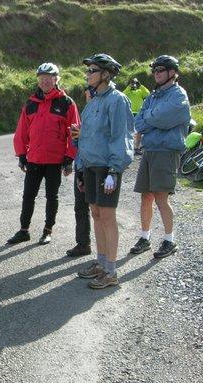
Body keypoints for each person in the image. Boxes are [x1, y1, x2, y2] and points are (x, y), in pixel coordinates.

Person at [73, 54, 134, 289]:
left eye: (92, 70)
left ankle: (111, 271)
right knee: (96, 214)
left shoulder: (118, 100)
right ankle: (100, 262)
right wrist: (80, 167)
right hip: (90, 166)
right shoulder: (94, 101)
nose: (87, 74)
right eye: (88, 70)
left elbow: (122, 136)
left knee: (108, 217)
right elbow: (87, 136)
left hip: (107, 167)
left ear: (106, 74)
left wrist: (113, 170)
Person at [7, 62, 79, 245]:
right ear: (38, 81)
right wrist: (22, 154)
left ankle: (48, 230)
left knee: (51, 196)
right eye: (42, 79)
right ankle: (24, 231)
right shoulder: (31, 103)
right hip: (34, 159)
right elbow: (22, 131)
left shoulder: (67, 103)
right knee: (28, 195)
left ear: (56, 80)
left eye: (49, 78)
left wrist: (70, 157)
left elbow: (74, 133)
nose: (45, 82)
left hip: (55, 161)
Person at [130, 55, 190, 259]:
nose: (156, 73)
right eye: (154, 70)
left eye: (160, 70)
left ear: (172, 72)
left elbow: (161, 119)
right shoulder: (154, 96)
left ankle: (169, 240)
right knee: (146, 195)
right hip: (150, 150)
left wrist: (151, 119)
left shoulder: (179, 95)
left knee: (161, 197)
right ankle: (144, 237)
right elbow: (139, 122)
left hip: (166, 150)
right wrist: (153, 119)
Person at [66, 86, 93, 257]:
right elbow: (79, 145)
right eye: (86, 92)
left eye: (89, 91)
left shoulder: (101, 111)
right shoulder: (87, 112)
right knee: (80, 207)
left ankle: (105, 256)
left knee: (99, 211)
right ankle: (83, 244)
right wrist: (76, 137)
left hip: (94, 166)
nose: (87, 94)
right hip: (81, 166)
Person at [123, 78, 151, 155]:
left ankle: (136, 148)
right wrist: (129, 87)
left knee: (139, 131)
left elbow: (148, 94)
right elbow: (123, 94)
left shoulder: (140, 91)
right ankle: (127, 148)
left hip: (139, 113)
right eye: (132, 83)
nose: (134, 85)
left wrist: (141, 86)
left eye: (135, 83)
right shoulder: (128, 92)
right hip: (129, 113)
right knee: (128, 131)